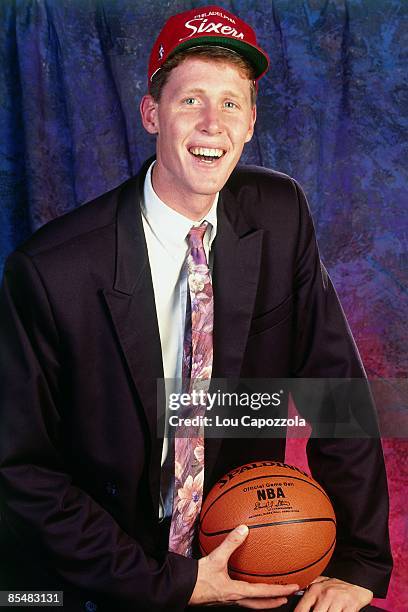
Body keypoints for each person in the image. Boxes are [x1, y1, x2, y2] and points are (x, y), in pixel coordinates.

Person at [0, 5, 392, 612]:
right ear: (152, 114)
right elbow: (20, 471)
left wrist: (360, 561)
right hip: (101, 568)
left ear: (252, 121)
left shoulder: (279, 214)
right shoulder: (52, 271)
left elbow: (333, 391)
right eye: (191, 101)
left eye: (232, 103)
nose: (213, 123)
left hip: (247, 544)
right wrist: (174, 584)